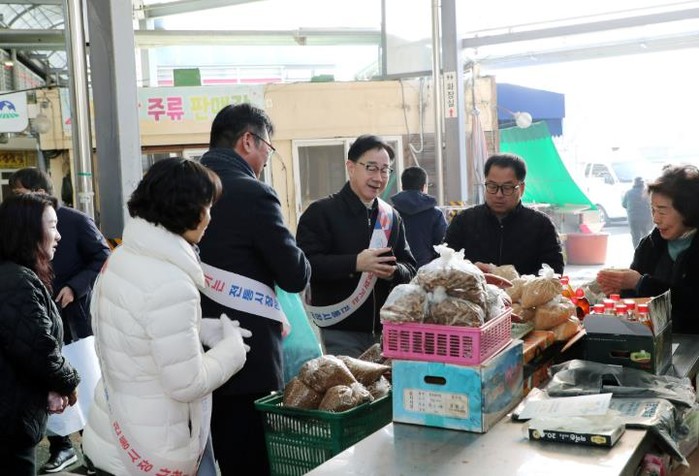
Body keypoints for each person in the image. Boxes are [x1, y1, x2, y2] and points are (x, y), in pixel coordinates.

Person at [81, 158, 252, 475]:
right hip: (154, 443)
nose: (210, 217)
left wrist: (198, 329)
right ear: (188, 209)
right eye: (208, 206)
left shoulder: (123, 256)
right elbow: (187, 383)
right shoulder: (172, 281)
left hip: (112, 429)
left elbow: (134, 333)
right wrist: (231, 352)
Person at [197, 104, 311, 475]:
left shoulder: (180, 188)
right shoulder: (254, 193)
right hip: (246, 361)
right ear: (248, 141)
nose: (265, 159)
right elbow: (294, 275)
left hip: (189, 354)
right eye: (267, 148)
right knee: (249, 462)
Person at [9, 167, 111, 474]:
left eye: (21, 194)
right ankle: (63, 447)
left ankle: (93, 454)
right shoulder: (19, 273)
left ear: (40, 194)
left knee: (87, 395)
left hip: (73, 323)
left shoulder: (76, 221)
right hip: (39, 327)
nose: (57, 236)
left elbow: (103, 255)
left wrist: (75, 287)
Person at [296, 134, 417, 357]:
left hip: (386, 332)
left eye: (384, 170)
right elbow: (305, 266)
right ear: (351, 167)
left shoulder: (391, 217)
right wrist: (355, 263)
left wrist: (393, 272)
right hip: (338, 330)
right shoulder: (321, 212)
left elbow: (410, 268)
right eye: (371, 168)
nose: (378, 177)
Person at [0, 192, 80, 475]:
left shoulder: (15, 276)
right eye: (52, 226)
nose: (58, 235)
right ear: (28, 231)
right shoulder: (15, 282)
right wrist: (69, 383)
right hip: (9, 426)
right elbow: (39, 348)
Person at [596, 164, 699, 334]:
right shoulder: (649, 245)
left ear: (688, 211)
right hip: (654, 340)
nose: (656, 219)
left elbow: (692, 303)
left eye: (662, 212)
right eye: (652, 210)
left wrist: (640, 283)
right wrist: (620, 290)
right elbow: (636, 300)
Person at [445, 153, 564, 276]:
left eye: (507, 188)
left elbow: (554, 270)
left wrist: (517, 281)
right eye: (492, 186)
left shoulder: (541, 225)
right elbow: (443, 264)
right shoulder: (464, 221)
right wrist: (470, 272)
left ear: (521, 188)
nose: (499, 195)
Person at [391, 166, 448, 268]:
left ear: (402, 187)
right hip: (427, 270)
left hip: (399, 269)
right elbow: (443, 245)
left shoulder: (391, 212)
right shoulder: (436, 213)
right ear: (424, 187)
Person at [622, 176, 654, 248]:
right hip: (647, 218)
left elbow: (624, 205)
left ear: (634, 183)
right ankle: (646, 250)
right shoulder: (648, 192)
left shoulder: (628, 193)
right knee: (646, 235)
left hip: (633, 218)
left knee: (635, 236)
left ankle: (637, 251)